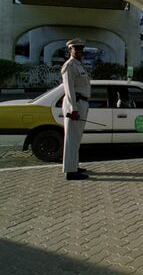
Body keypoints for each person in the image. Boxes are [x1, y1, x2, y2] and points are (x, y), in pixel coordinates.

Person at [61, 38, 91, 180]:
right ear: (70, 50)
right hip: (75, 104)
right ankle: (70, 171)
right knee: (71, 139)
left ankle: (74, 166)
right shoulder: (69, 66)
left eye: (81, 49)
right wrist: (73, 108)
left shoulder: (78, 65)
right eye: (76, 49)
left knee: (76, 138)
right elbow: (69, 89)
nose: (79, 51)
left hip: (81, 103)